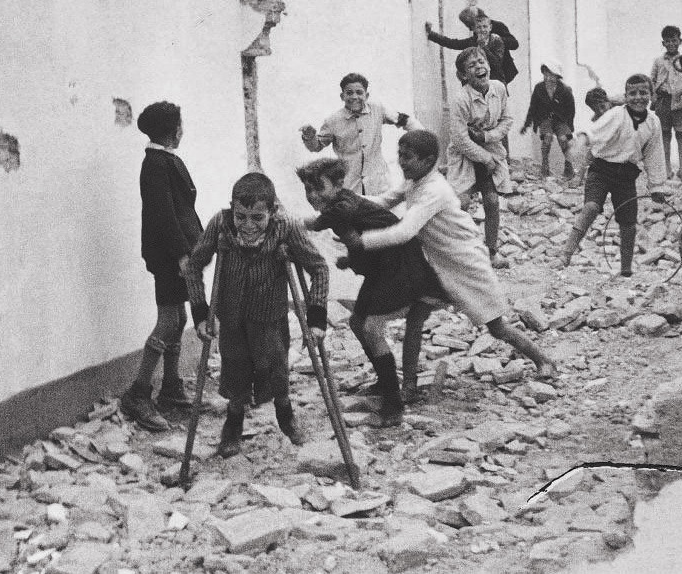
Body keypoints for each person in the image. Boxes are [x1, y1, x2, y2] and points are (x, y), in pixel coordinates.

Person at [339, 130, 556, 380]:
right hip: (437, 265)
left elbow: (404, 232)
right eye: (400, 155)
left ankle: (543, 360)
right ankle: (409, 385)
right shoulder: (414, 183)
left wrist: (360, 242)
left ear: (428, 161)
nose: (401, 162)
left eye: (408, 157)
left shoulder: (435, 191)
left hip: (466, 264)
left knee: (496, 327)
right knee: (415, 319)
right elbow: (383, 201)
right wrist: (344, 199)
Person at [185, 173, 330, 458]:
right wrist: (201, 313)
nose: (248, 225)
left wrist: (316, 319)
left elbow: (319, 268)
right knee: (234, 370)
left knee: (275, 369)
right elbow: (193, 266)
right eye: (241, 216)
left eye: (257, 217)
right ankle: (233, 424)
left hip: (270, 317)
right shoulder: (221, 224)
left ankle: (285, 414)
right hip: (232, 318)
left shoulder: (285, 227)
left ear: (272, 212)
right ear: (232, 208)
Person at [296, 157, 448, 425]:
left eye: (318, 188)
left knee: (371, 327)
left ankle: (393, 406)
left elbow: (332, 220)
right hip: (383, 267)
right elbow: (359, 239)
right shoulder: (340, 205)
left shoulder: (343, 204)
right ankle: (384, 382)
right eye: (307, 190)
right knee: (357, 323)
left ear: (339, 184)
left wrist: (298, 223)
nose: (312, 195)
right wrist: (351, 259)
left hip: (401, 266)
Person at [121, 101, 205, 433]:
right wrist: (182, 255)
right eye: (181, 124)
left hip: (180, 251)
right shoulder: (155, 164)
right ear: (174, 130)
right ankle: (138, 393)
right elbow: (164, 215)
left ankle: (171, 386)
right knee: (169, 319)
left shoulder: (164, 160)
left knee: (179, 317)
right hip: (170, 255)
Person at [557, 75, 669, 276]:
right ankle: (566, 253)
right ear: (625, 96)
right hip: (601, 170)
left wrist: (657, 186)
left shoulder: (653, 122)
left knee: (628, 222)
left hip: (627, 176)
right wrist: (580, 142)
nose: (638, 98)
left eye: (643, 93)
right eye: (632, 93)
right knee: (591, 207)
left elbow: (654, 154)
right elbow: (593, 132)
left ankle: (626, 268)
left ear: (651, 95)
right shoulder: (617, 114)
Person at [299, 72, 421, 196]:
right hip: (349, 184)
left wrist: (426, 139)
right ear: (342, 96)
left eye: (359, 92)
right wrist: (309, 136)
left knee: (381, 211)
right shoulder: (333, 121)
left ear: (366, 95)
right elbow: (316, 146)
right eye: (349, 93)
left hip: (378, 182)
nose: (354, 97)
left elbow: (404, 120)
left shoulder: (377, 109)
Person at [447, 47, 514, 268]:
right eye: (472, 65)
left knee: (492, 202)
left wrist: (487, 136)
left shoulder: (499, 89)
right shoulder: (461, 99)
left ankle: (491, 252)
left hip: (490, 149)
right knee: (461, 204)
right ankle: (453, 253)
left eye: (482, 62)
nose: (479, 67)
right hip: (465, 155)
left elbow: (507, 120)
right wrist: (484, 158)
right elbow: (459, 139)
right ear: (464, 75)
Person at [425, 7, 520, 88]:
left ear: (490, 26)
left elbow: (514, 44)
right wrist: (432, 35)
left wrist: (495, 40)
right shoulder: (475, 39)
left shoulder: (497, 27)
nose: (481, 30)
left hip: (502, 71)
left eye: (484, 27)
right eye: (476, 27)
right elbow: (454, 43)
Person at [649, 25, 682, 182]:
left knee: (680, 135)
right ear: (663, 43)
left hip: (680, 101)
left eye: (674, 40)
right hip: (663, 100)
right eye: (667, 41)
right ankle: (667, 168)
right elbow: (651, 81)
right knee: (665, 135)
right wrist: (653, 97)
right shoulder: (658, 61)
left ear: (680, 41)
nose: (671, 44)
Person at [520, 64, 576, 179]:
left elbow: (571, 109)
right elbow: (533, 107)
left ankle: (569, 168)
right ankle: (544, 167)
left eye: (552, 75)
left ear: (557, 77)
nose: (549, 78)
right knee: (547, 137)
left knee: (563, 139)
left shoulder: (565, 90)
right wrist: (527, 124)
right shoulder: (539, 88)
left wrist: (569, 127)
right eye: (546, 74)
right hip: (545, 119)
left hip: (560, 119)